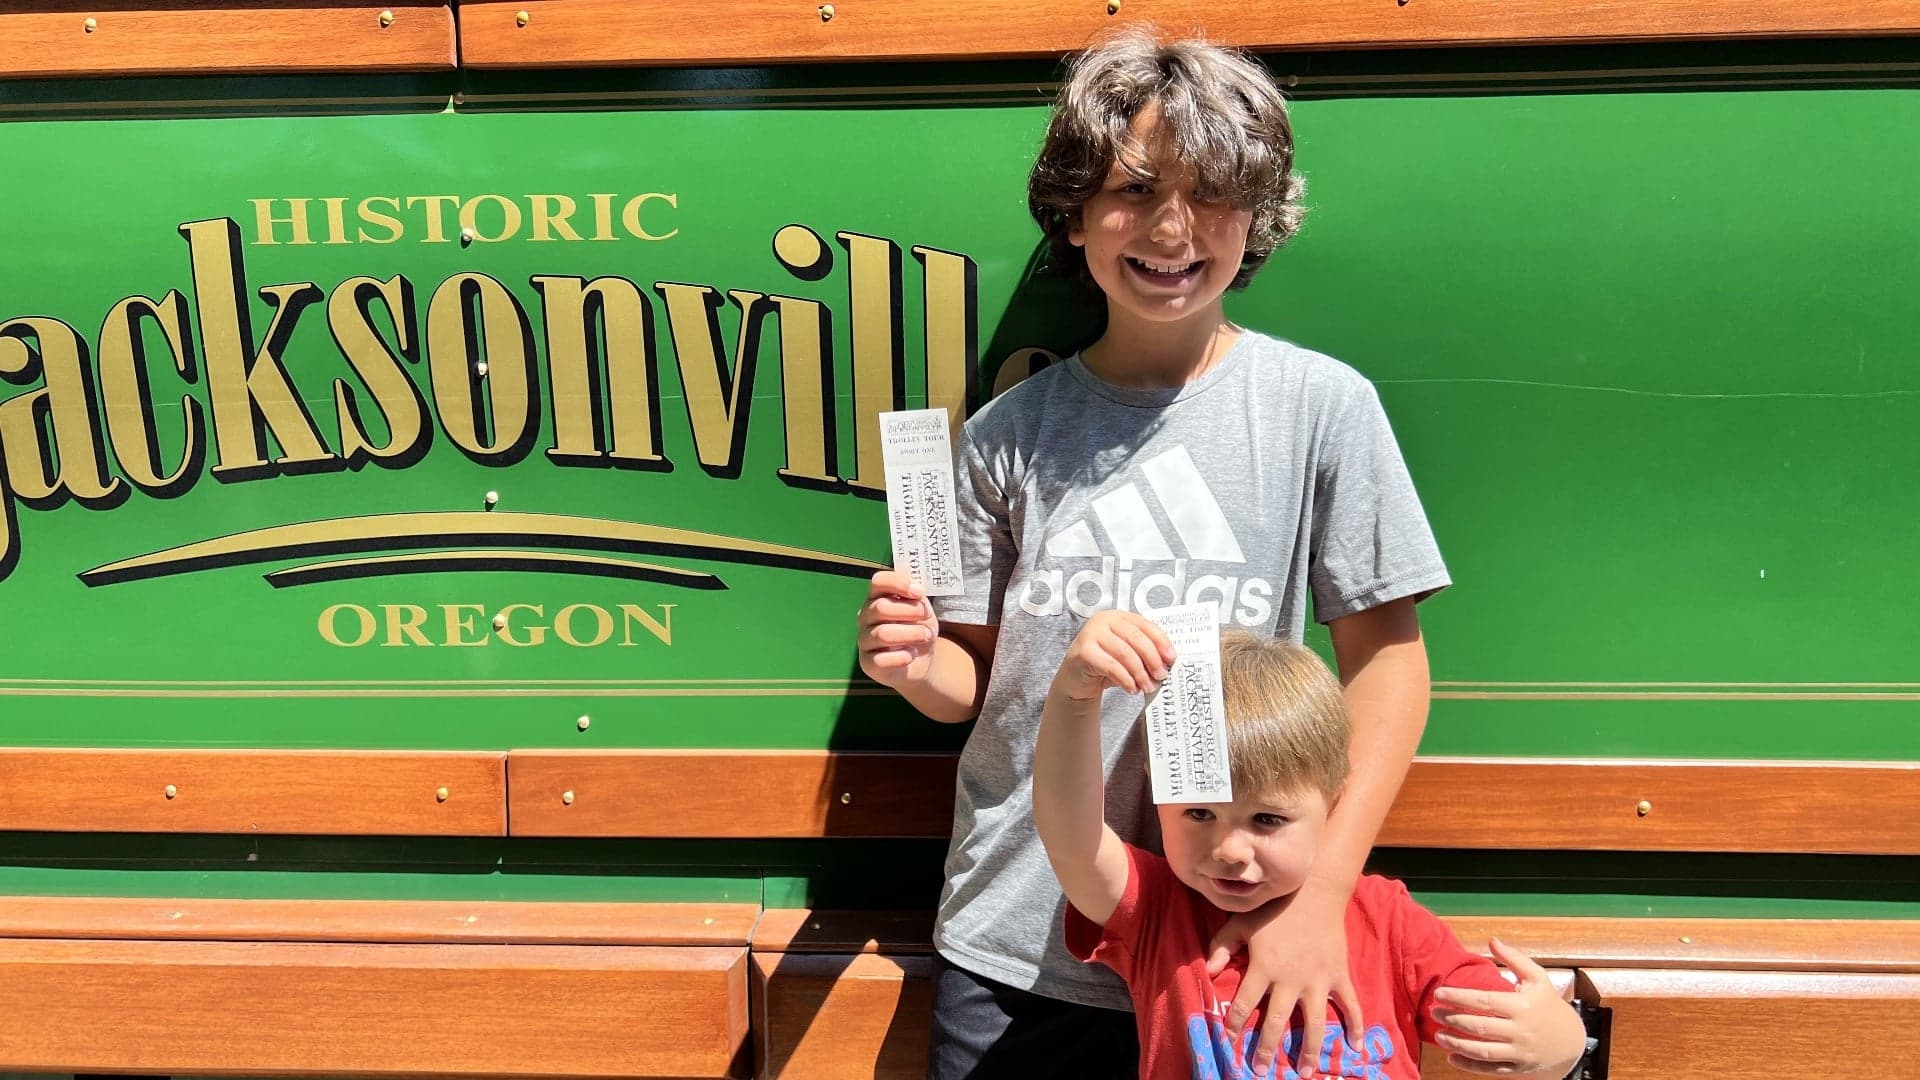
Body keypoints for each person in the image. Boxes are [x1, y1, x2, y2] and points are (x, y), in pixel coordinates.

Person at [857, 29, 1450, 1078]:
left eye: (1212, 191)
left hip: (1232, 946)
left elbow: (1391, 665)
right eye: (1133, 189)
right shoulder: (1006, 434)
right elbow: (972, 685)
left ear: (1258, 217)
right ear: (1074, 214)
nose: (1172, 228)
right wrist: (913, 665)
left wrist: (1316, 903)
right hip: (1016, 943)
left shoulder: (1322, 409)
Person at [1035, 613, 1587, 1079]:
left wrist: (1560, 1042)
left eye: (1268, 819)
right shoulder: (1158, 913)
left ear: (1334, 801)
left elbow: (1497, 1022)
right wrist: (1075, 696)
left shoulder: (1387, 923)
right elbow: (1070, 833)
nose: (1229, 849)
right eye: (1199, 813)